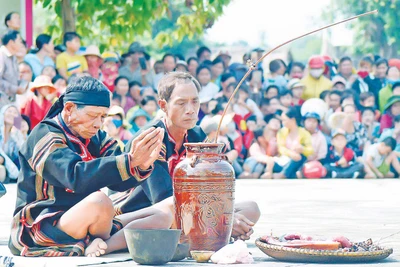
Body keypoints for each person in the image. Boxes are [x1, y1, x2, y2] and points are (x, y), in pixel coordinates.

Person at [9, 76, 169, 257]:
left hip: (91, 221)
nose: (98, 124)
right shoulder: (44, 134)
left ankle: (100, 243)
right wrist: (130, 161)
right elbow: (75, 177)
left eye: (102, 117)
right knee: (100, 201)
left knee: (163, 215)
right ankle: (98, 242)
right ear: (69, 108)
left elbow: (119, 181)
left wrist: (141, 164)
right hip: (44, 225)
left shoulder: (96, 136)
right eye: (93, 116)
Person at [111, 72, 260, 241]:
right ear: (163, 105)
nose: (190, 110)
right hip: (145, 212)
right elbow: (162, 197)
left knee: (251, 209)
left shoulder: (197, 134)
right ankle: (207, 232)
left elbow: (210, 186)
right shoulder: (151, 138)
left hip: (188, 210)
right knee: (171, 211)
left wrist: (226, 217)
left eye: (195, 101)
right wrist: (222, 221)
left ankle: (204, 231)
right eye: (181, 103)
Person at [273, 107, 314, 179]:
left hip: (298, 160)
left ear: (293, 120)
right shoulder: (282, 132)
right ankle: (290, 174)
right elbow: (281, 148)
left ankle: (284, 174)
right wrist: (290, 153)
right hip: (285, 159)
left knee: (299, 156)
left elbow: (310, 150)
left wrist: (302, 149)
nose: (283, 123)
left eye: (285, 120)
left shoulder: (304, 133)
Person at [240, 115, 280, 179]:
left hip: (262, 164)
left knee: (261, 164)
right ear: (260, 138)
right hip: (250, 166)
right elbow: (259, 157)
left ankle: (257, 175)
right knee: (255, 161)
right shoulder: (255, 146)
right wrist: (269, 161)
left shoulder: (269, 145)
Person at [0, 30, 28, 104]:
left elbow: (13, 79)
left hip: (10, 101)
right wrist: (15, 89)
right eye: (19, 41)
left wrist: (23, 84)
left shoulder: (13, 57)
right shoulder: (1, 55)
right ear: (11, 43)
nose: (21, 44)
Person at [0, 105, 24, 183]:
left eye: (15, 112)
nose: (12, 114)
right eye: (9, 111)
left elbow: (23, 153)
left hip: (9, 170)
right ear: (3, 113)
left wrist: (15, 136)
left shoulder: (16, 135)